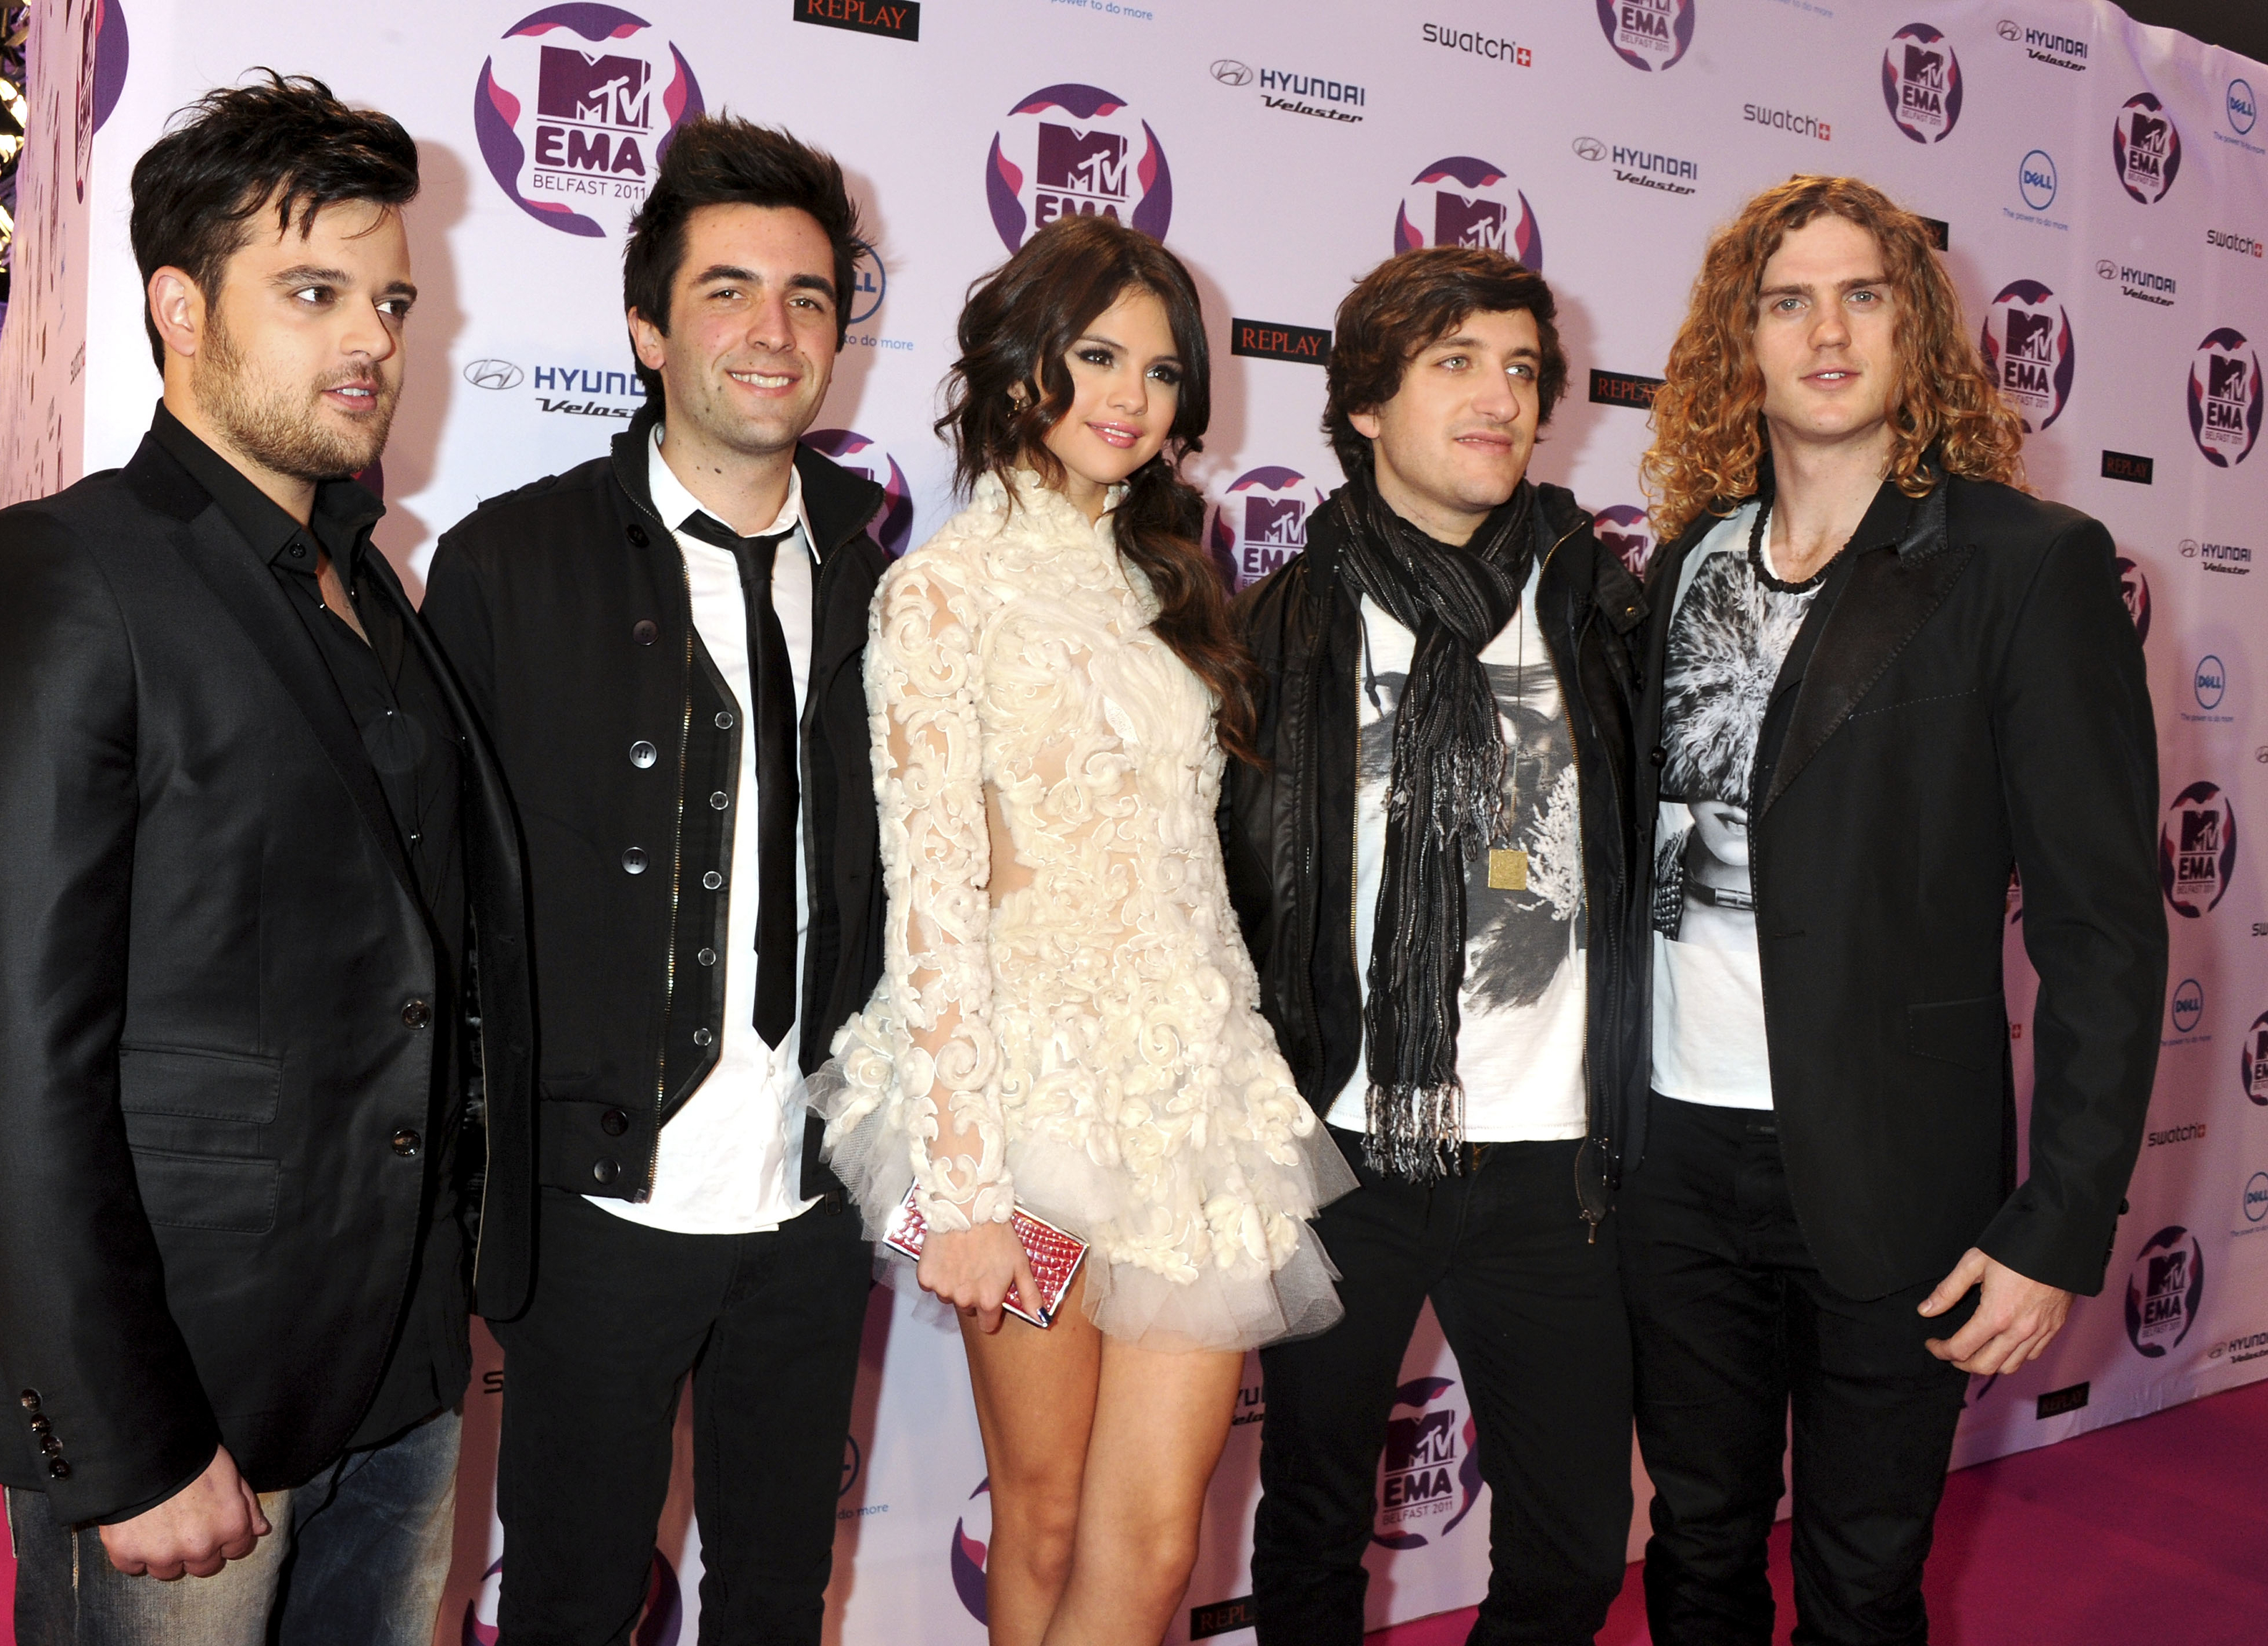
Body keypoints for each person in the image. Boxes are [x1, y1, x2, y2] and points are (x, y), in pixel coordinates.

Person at [0, 75, 536, 1646]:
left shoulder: (371, 590)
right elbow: (6, 1053)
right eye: (313, 293)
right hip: (185, 1402)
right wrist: (131, 1438)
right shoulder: (64, 571)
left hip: (399, 1376)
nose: (373, 340)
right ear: (178, 310)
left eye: (389, 299)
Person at [1622, 174, 2165, 1645]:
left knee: (1861, 1585)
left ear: (1914, 330)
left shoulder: (2020, 565)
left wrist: (2059, 1221)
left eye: (1863, 292)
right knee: (1695, 1547)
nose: (1825, 330)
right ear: (1739, 341)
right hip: (1672, 1155)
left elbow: (2103, 929)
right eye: (1785, 300)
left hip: (1890, 1168)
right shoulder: (1682, 567)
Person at [814, 213, 1353, 1646]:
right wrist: (969, 1184)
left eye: (1161, 370)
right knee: (1042, 1516)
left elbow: (1188, 869)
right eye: (1097, 355)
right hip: (1024, 1094)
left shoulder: (1169, 587)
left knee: (1154, 1535)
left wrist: (1228, 1058)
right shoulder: (938, 596)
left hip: (1189, 1096)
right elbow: (935, 895)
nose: (1131, 396)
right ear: (1016, 368)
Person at [422, 116, 887, 1646]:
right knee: (566, 1593)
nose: (774, 331)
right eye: (728, 291)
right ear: (645, 323)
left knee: (774, 1594)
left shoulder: (896, 590)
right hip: (596, 1203)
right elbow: (446, 912)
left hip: (812, 1204)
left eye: (811, 298)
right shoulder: (511, 565)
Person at [1221, 246, 1644, 1645]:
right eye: (1454, 363)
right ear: (1361, 404)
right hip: (1344, 1150)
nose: (1498, 398)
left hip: (1554, 1165)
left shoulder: (1601, 613)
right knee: (1311, 1532)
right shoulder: (1269, 637)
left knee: (1579, 1548)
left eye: (1520, 369)